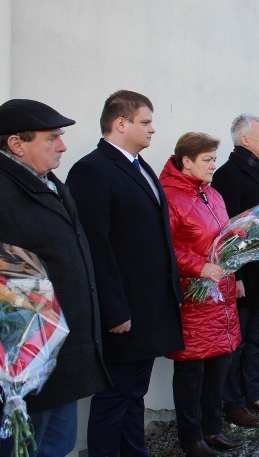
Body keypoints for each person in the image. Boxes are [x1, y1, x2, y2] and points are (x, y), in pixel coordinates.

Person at [67, 90, 184, 456]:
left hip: (150, 305)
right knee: (114, 397)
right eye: (145, 122)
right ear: (120, 124)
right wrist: (115, 310)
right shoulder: (91, 171)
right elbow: (96, 249)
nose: (153, 129)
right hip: (123, 311)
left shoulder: (140, 165)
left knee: (136, 392)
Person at [0, 99, 111, 456]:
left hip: (64, 356)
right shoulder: (4, 192)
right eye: (52, 138)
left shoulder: (48, 183)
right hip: (27, 364)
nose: (62, 145)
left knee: (57, 447)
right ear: (17, 144)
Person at [159, 133, 243, 457]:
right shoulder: (169, 197)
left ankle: (213, 428)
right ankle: (191, 438)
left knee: (218, 366)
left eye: (214, 159)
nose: (213, 165)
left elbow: (224, 241)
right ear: (186, 162)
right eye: (207, 160)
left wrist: (235, 274)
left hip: (221, 295)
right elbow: (166, 248)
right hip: (193, 298)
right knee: (192, 372)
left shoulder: (214, 195)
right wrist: (198, 267)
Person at [211, 115, 259, 428]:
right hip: (245, 273)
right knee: (238, 341)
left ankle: (252, 392)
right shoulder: (228, 174)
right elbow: (225, 229)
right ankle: (234, 403)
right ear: (245, 140)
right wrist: (236, 276)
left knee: (258, 336)